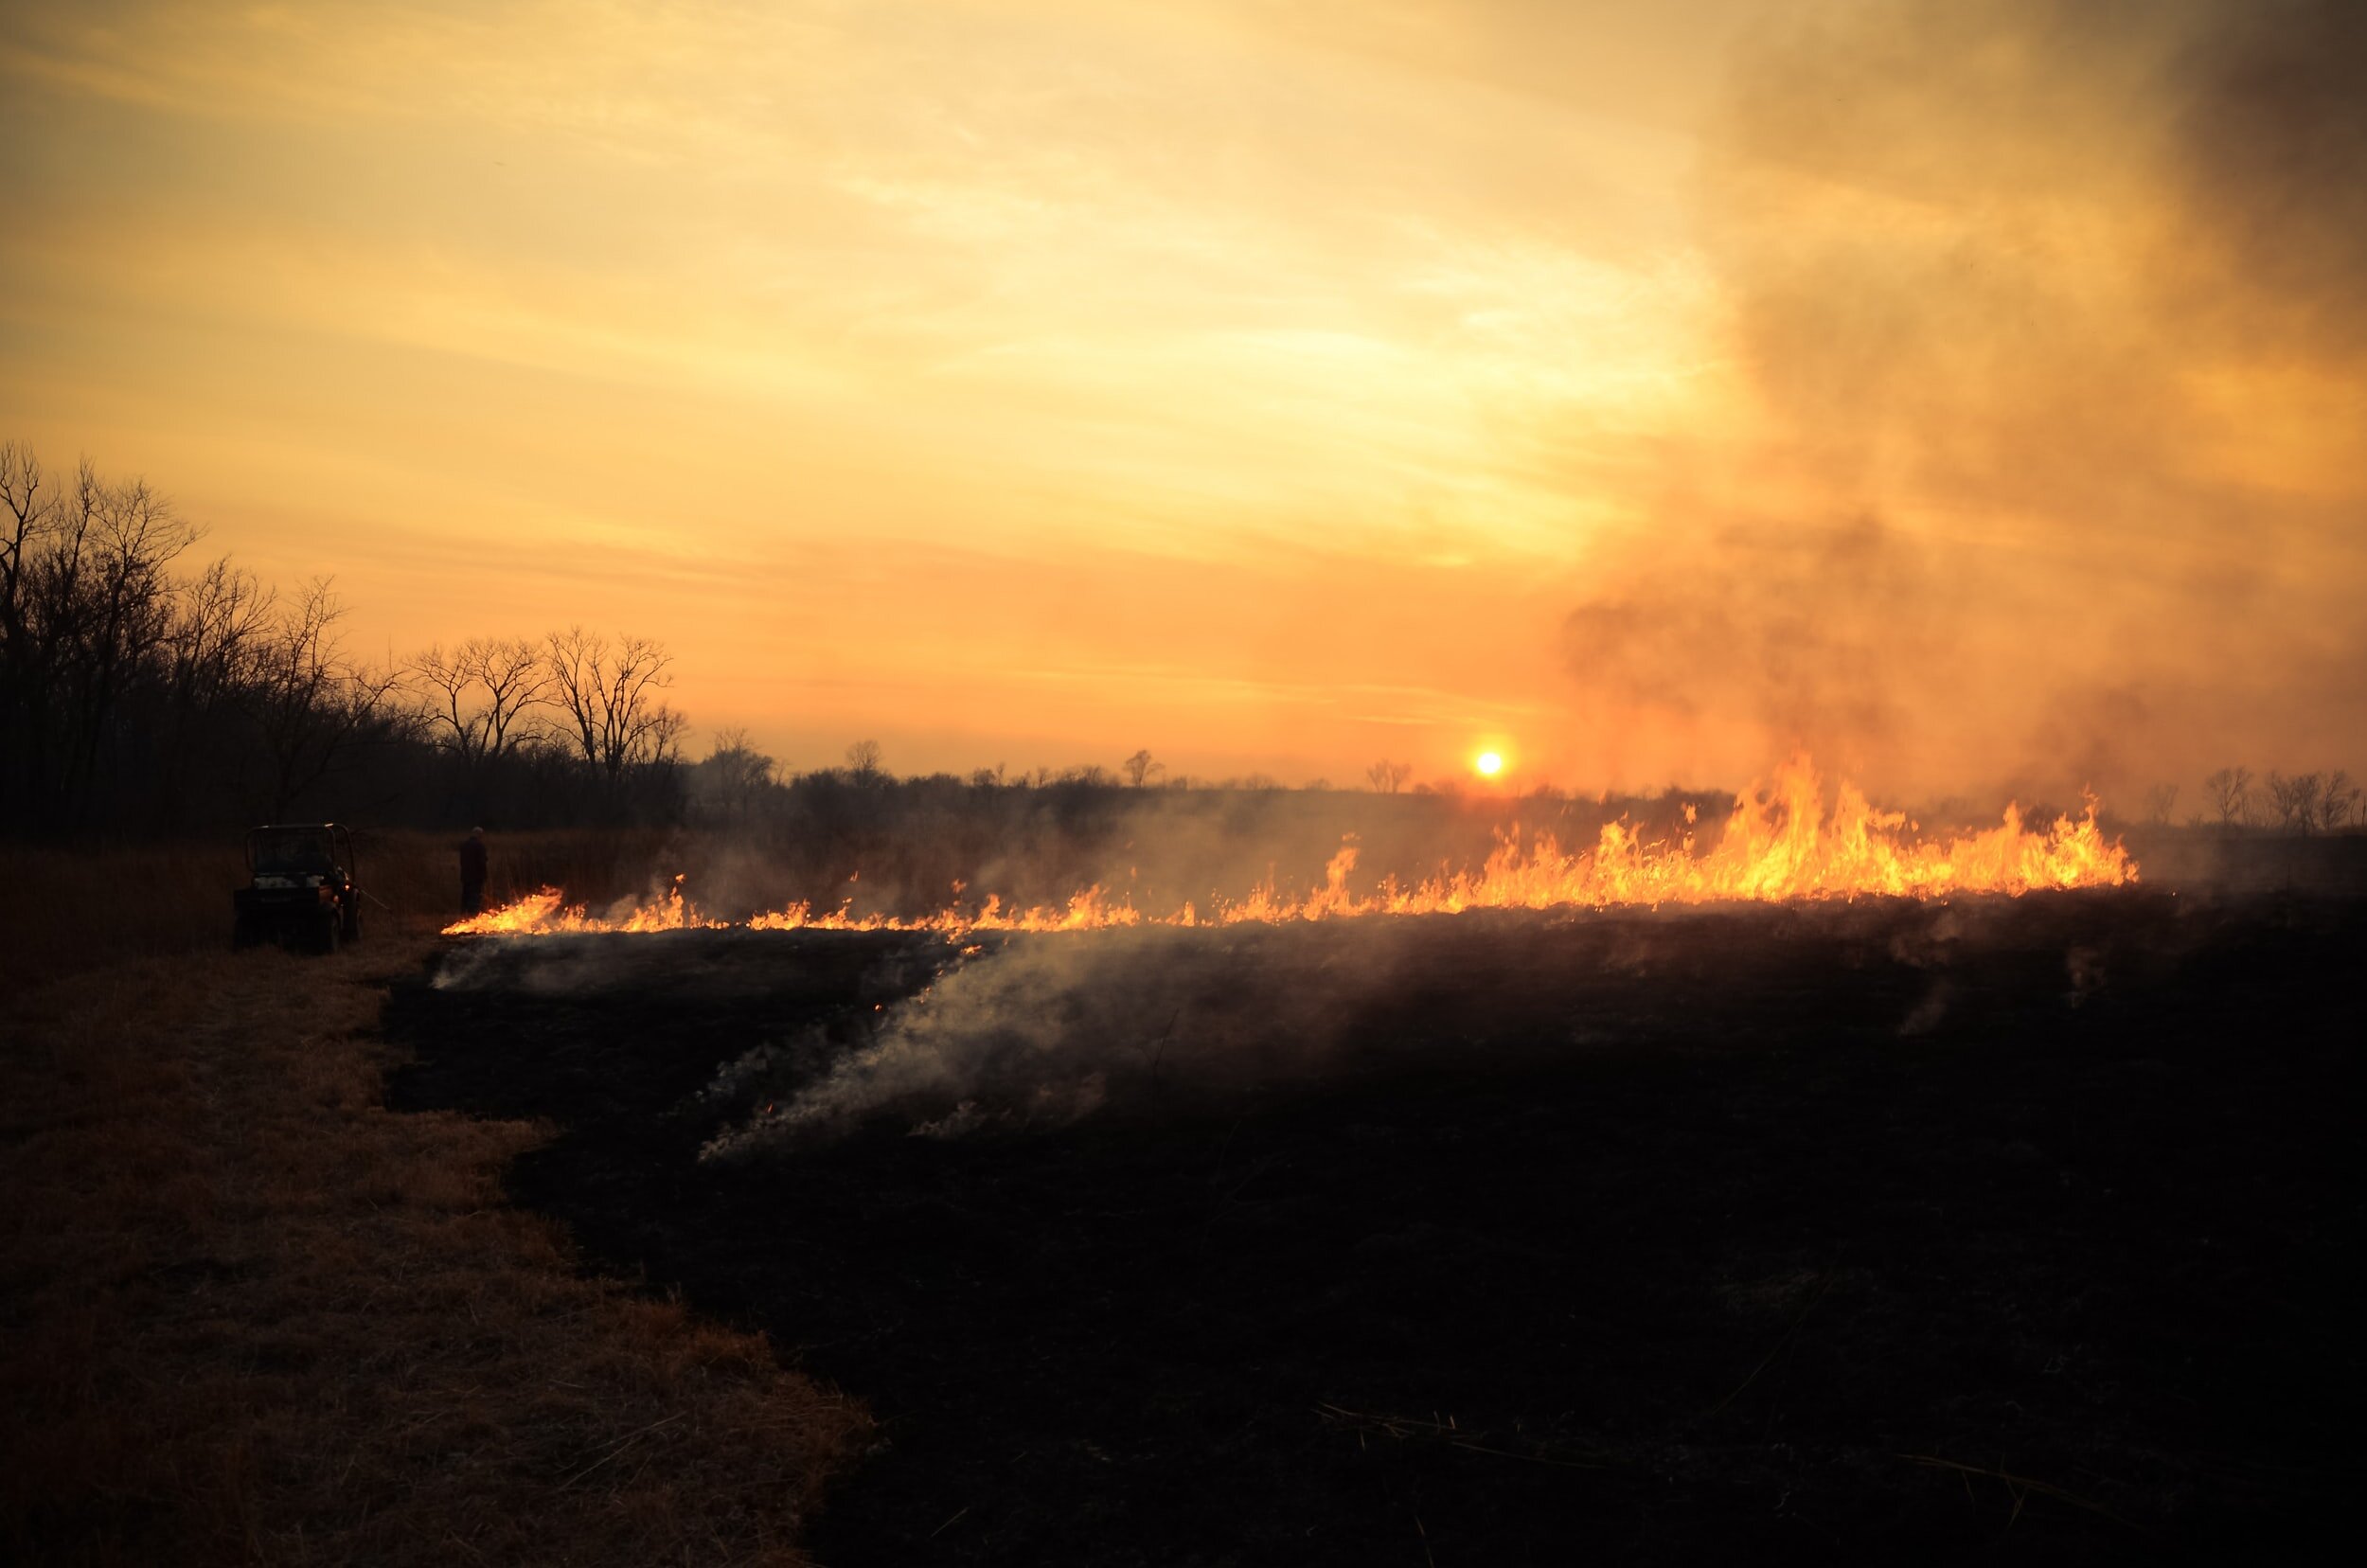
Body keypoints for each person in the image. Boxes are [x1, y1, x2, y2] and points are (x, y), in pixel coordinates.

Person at [458, 827, 489, 916]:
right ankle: (473, 914)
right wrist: (484, 875)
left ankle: (463, 912)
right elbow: (482, 862)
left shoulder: (464, 845)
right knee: (475, 895)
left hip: (465, 875)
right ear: (479, 835)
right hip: (476, 876)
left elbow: (462, 860)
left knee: (465, 894)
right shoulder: (479, 845)